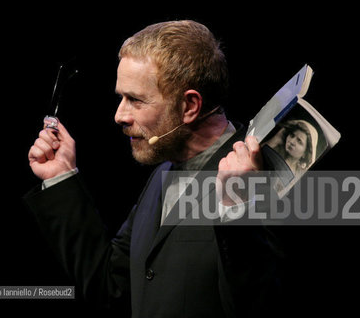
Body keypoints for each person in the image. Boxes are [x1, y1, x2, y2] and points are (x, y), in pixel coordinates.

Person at [24, 20, 284, 317]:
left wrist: (239, 210)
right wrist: (61, 177)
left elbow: (263, 304)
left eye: (135, 100)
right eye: (121, 98)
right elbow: (112, 287)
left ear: (189, 106)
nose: (119, 115)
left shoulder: (263, 174)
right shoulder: (162, 174)